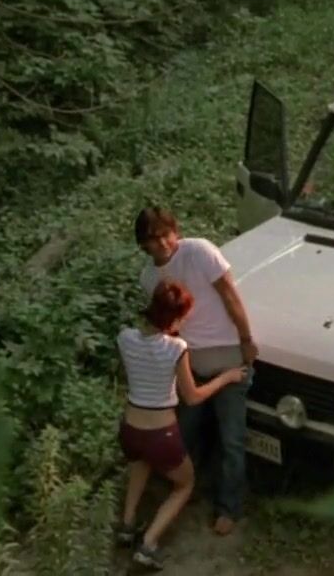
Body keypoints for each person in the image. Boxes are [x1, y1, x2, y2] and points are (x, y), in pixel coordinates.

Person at [134, 206, 257, 536]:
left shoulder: (200, 252)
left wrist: (246, 339)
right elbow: (165, 324)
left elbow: (230, 295)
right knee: (184, 433)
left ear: (176, 231)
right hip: (188, 360)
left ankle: (229, 507)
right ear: (144, 244)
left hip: (228, 355)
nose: (163, 243)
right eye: (154, 239)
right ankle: (185, 489)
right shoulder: (149, 278)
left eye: (166, 234)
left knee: (232, 438)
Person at [116, 280, 248, 570]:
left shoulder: (125, 337)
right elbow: (193, 396)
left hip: (130, 427)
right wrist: (226, 377)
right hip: (160, 433)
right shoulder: (176, 347)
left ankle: (127, 524)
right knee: (184, 484)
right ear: (174, 319)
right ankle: (148, 543)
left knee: (140, 462)